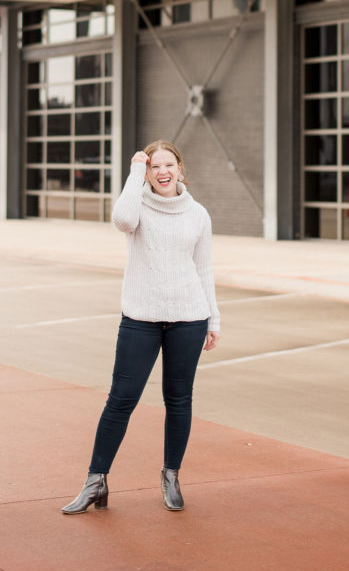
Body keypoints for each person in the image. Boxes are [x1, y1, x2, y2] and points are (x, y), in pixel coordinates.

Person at [62, 140, 221, 514]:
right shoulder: (137, 207)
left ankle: (171, 477)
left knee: (179, 400)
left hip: (189, 316)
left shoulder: (198, 214)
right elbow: (121, 220)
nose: (163, 172)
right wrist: (134, 171)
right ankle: (95, 482)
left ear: (181, 168)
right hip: (140, 318)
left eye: (169, 164)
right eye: (154, 167)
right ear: (147, 173)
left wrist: (213, 318)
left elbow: (204, 269)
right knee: (121, 399)